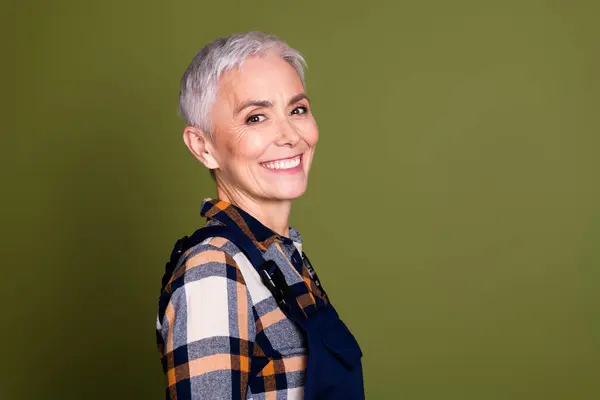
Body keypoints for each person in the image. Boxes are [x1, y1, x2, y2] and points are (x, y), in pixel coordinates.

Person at [156, 31, 364, 399]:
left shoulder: (279, 256)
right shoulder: (214, 269)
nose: (289, 135)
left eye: (297, 110)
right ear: (203, 147)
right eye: (256, 117)